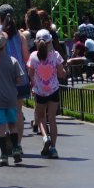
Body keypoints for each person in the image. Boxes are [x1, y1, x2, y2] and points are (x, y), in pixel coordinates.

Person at [0, 27, 25, 166]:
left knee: (1, 127)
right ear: (5, 45)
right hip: (11, 97)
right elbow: (19, 80)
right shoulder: (13, 60)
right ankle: (15, 148)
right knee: (12, 124)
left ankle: (3, 154)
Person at [26, 29, 64, 157]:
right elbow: (61, 74)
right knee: (52, 119)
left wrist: (34, 84)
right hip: (53, 90)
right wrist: (64, 72)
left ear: (36, 42)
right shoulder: (56, 55)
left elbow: (30, 74)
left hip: (40, 91)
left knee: (41, 117)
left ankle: (45, 137)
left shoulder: (33, 56)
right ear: (50, 42)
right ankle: (53, 148)